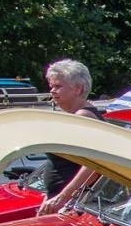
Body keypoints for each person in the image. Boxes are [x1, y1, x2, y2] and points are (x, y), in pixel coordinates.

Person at [36, 58, 106, 196]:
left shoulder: (84, 116)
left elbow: (95, 165)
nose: (52, 91)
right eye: (51, 87)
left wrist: (63, 197)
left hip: (71, 204)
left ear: (78, 89)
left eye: (58, 86)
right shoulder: (75, 115)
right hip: (60, 200)